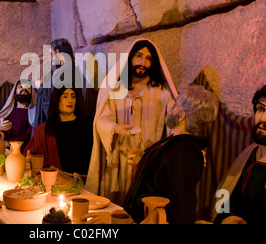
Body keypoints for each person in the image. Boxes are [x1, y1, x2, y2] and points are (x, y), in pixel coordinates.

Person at [83, 85, 219, 224]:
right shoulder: (176, 144)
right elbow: (159, 180)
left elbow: (172, 204)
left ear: (181, 116)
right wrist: (141, 161)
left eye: (176, 104)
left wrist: (122, 219)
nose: (171, 106)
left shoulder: (183, 151)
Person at [85, 39, 178, 205]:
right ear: (129, 58)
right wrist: (115, 127)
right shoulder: (114, 88)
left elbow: (175, 124)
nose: (143, 62)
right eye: (139, 56)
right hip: (118, 160)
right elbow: (101, 118)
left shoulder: (162, 93)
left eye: (149, 58)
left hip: (146, 162)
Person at [213, 82, 266, 224]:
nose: (263, 118)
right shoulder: (246, 157)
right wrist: (227, 218)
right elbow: (222, 197)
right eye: (260, 109)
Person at [25, 87, 93, 175]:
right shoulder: (46, 129)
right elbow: (29, 153)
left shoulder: (88, 123)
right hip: (55, 181)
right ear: (56, 100)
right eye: (65, 97)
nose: (70, 100)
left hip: (84, 180)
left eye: (73, 96)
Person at [30, 38, 84, 128]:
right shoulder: (75, 70)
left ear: (57, 52)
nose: (51, 59)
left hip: (61, 126)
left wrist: (41, 87)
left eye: (51, 54)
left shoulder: (62, 72)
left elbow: (51, 104)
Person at [0, 79, 36, 151]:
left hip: (19, 152)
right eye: (20, 87)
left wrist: (9, 143)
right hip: (1, 149)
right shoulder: (8, 111)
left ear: (32, 91)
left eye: (27, 87)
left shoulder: (34, 114)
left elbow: (30, 134)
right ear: (15, 91)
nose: (23, 88)